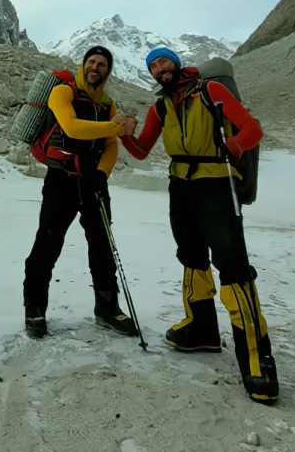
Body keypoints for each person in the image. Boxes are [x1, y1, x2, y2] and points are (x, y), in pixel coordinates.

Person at [120, 47, 279, 405]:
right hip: (181, 186)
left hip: (216, 183)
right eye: (152, 66)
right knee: (191, 255)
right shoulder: (160, 106)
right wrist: (124, 134)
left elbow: (253, 130)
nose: (159, 68)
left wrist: (233, 147)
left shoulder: (211, 91)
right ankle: (202, 329)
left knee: (233, 265)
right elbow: (143, 150)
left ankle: (256, 356)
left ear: (176, 63)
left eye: (163, 61)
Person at [22, 45, 141, 340]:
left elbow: (112, 146)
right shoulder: (63, 92)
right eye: (92, 61)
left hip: (93, 182)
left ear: (107, 71)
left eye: (102, 64)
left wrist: (102, 174)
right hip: (61, 180)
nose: (96, 67)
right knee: (48, 243)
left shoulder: (107, 104)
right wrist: (114, 127)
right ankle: (34, 309)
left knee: (102, 246)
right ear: (83, 64)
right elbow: (72, 128)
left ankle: (107, 309)